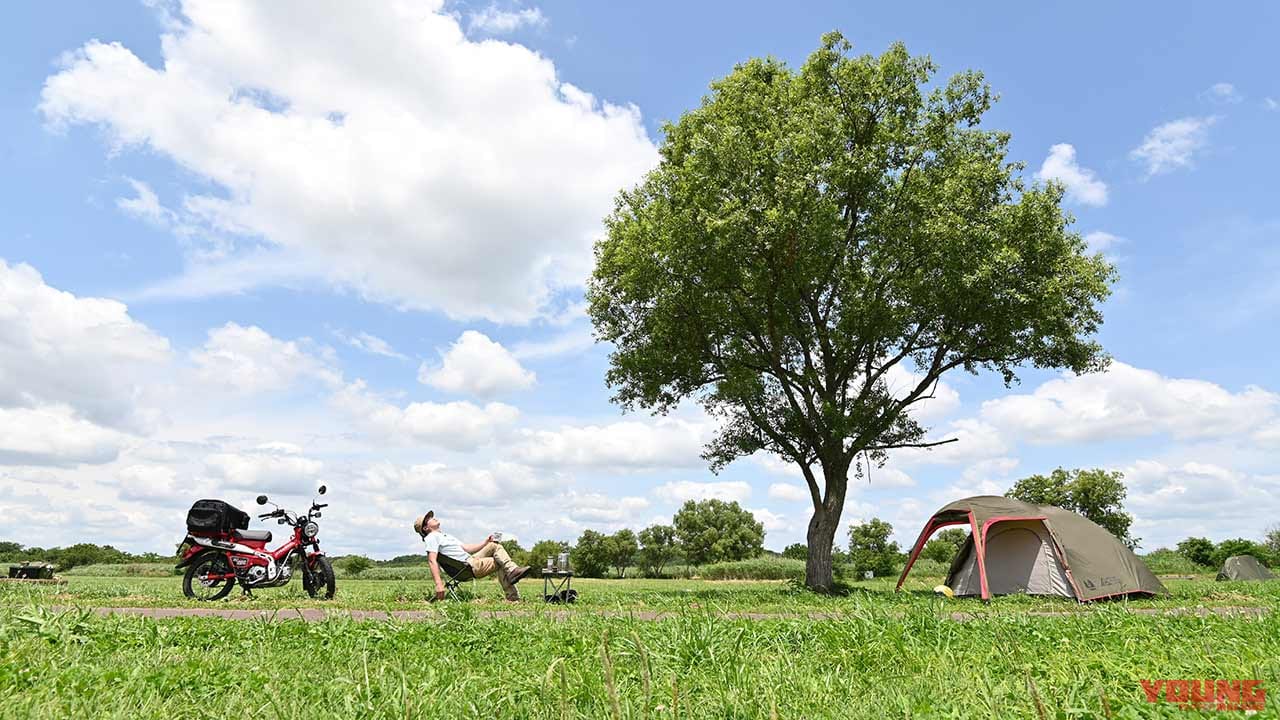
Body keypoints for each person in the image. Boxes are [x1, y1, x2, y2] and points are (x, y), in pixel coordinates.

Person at [413, 510, 531, 601]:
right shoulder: (431, 537)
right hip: (467, 566)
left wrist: (485, 542)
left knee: (494, 545)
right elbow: (432, 560)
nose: (433, 518)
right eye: (429, 518)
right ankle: (512, 597)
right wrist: (439, 584)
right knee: (500, 562)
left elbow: (467, 548)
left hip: (470, 560)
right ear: (426, 528)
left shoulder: (445, 536)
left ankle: (512, 570)